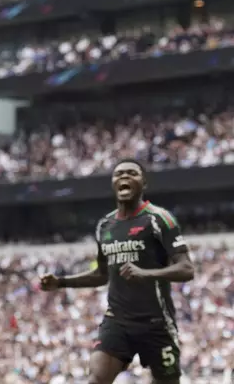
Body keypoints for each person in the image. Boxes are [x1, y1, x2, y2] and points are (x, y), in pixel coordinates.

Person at [39, 159, 195, 384]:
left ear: (144, 183)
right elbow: (102, 275)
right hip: (118, 321)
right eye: (119, 174)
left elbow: (187, 268)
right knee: (97, 378)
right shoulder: (105, 225)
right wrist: (61, 282)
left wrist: (146, 273)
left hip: (156, 323)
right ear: (113, 183)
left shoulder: (159, 219)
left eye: (132, 173)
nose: (124, 177)